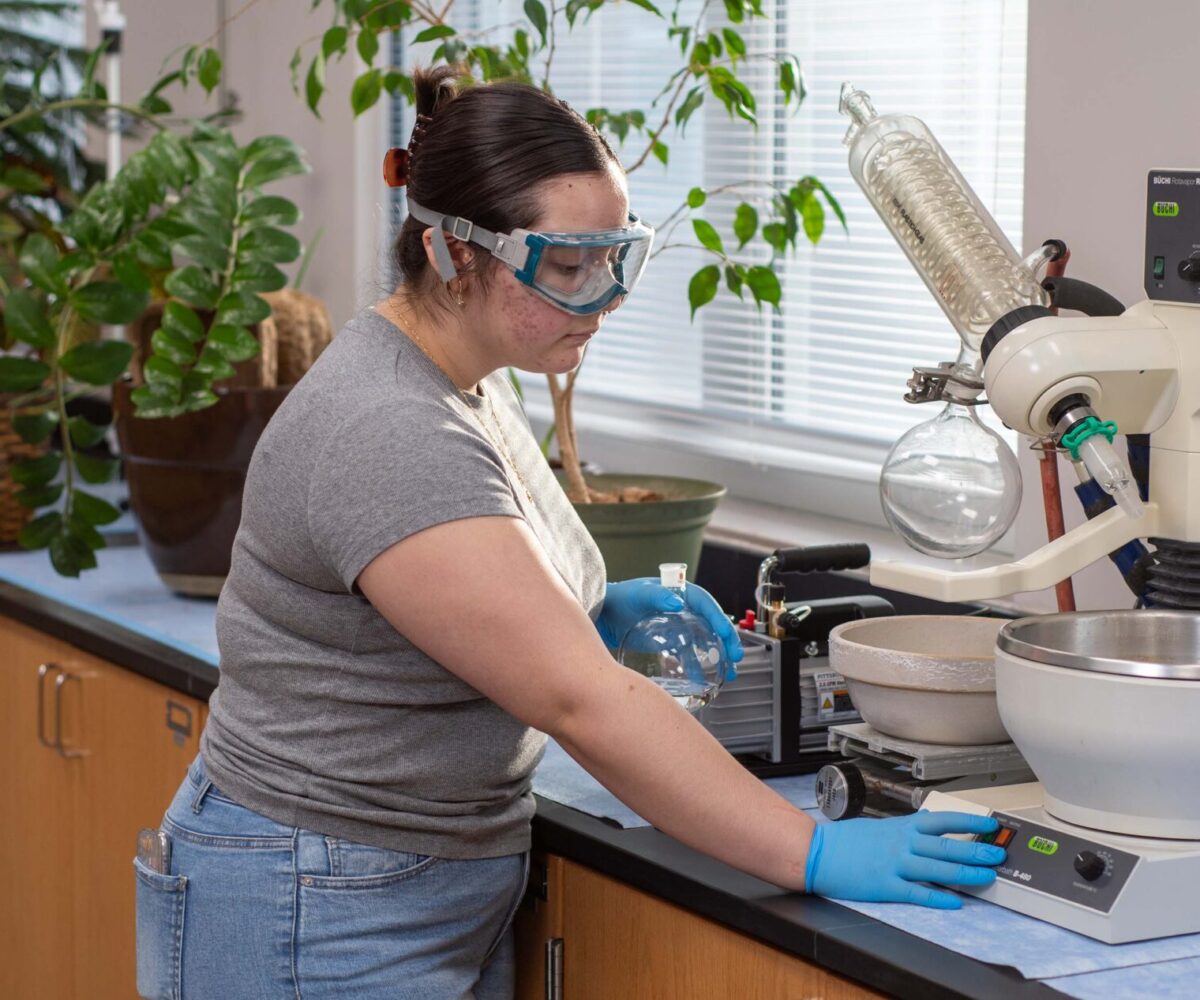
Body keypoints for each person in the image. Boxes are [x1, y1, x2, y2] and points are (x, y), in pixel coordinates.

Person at [133, 66, 1004, 1000]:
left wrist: (584, 611)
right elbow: (585, 707)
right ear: (450, 254)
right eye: (567, 265)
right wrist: (812, 847)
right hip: (311, 900)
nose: (606, 295)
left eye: (617, 255)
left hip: (402, 879)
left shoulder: (471, 376)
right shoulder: (388, 426)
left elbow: (472, 595)